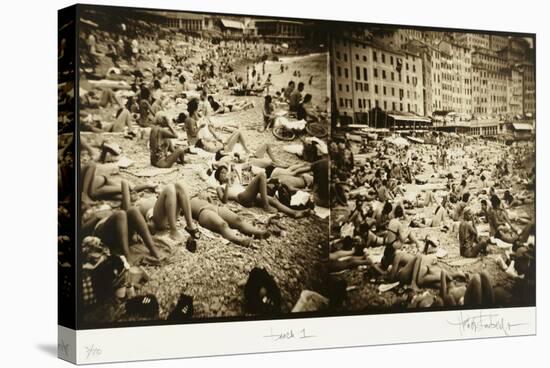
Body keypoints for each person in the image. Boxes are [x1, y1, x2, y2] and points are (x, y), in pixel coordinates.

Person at [214, 166, 309, 218]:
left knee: (273, 200)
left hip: (248, 194)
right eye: (222, 173)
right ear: (218, 177)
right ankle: (266, 206)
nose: (225, 174)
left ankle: (294, 213)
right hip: (242, 198)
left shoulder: (234, 181)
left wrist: (236, 177)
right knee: (261, 175)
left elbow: (246, 184)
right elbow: (224, 200)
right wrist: (227, 185)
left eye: (226, 171)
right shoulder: (220, 187)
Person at [134, 181, 200, 242]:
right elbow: (133, 189)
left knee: (179, 185)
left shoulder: (150, 193)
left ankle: (190, 226)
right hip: (155, 218)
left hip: (169, 212)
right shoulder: (134, 202)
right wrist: (148, 185)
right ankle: (173, 231)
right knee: (169, 188)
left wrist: (155, 189)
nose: (133, 193)